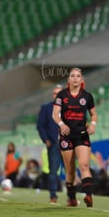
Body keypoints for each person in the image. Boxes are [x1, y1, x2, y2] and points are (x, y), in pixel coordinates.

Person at [52, 67, 97, 207]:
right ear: (69, 79)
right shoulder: (62, 95)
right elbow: (55, 114)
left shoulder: (87, 96)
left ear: (82, 80)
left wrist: (93, 124)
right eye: (73, 76)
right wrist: (60, 123)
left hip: (82, 135)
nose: (75, 78)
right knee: (70, 169)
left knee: (84, 165)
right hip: (66, 136)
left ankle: (88, 196)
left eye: (78, 76)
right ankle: (71, 198)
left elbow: (93, 114)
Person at [37, 84, 63, 204]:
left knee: (72, 169)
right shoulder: (46, 108)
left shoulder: (70, 108)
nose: (57, 95)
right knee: (53, 171)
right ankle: (53, 196)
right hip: (54, 143)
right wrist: (45, 139)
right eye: (54, 93)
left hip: (69, 142)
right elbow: (40, 125)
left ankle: (72, 196)